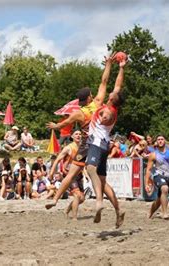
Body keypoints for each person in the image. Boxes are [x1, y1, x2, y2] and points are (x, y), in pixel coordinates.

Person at [45, 53, 115, 210]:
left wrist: (55, 127)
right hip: (98, 143)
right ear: (90, 97)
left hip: (84, 145)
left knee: (71, 174)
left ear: (80, 101)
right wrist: (108, 64)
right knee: (101, 180)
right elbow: (104, 82)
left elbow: (65, 123)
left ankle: (55, 200)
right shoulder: (97, 103)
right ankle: (112, 206)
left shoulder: (78, 113)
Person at [84, 55, 126, 227]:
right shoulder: (114, 106)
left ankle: (99, 201)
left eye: (114, 93)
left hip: (96, 142)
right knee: (102, 181)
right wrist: (120, 67)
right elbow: (116, 84)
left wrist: (108, 64)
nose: (113, 90)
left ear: (113, 98)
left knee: (90, 169)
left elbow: (104, 80)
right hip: (104, 145)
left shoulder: (106, 108)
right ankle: (118, 210)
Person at [48, 130, 85, 220]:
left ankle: (67, 210)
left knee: (82, 198)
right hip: (69, 175)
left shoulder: (83, 147)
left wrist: (86, 173)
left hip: (79, 175)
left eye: (80, 134)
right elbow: (57, 160)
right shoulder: (68, 148)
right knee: (77, 195)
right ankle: (74, 217)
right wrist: (52, 172)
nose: (78, 136)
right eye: (76, 134)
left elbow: (83, 163)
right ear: (72, 136)